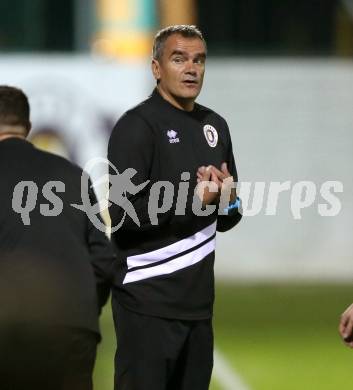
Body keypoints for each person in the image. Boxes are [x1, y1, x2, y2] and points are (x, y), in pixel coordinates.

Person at [108, 25, 242, 390]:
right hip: (146, 303)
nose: (191, 69)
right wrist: (194, 199)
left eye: (199, 60)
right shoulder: (136, 127)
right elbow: (122, 216)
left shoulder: (215, 126)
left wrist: (227, 198)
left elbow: (230, 215)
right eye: (178, 58)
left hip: (198, 307)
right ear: (156, 68)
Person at [0, 85, 115, 390]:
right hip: (71, 326)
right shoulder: (75, 176)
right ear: (26, 128)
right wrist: (81, 307)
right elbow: (104, 260)